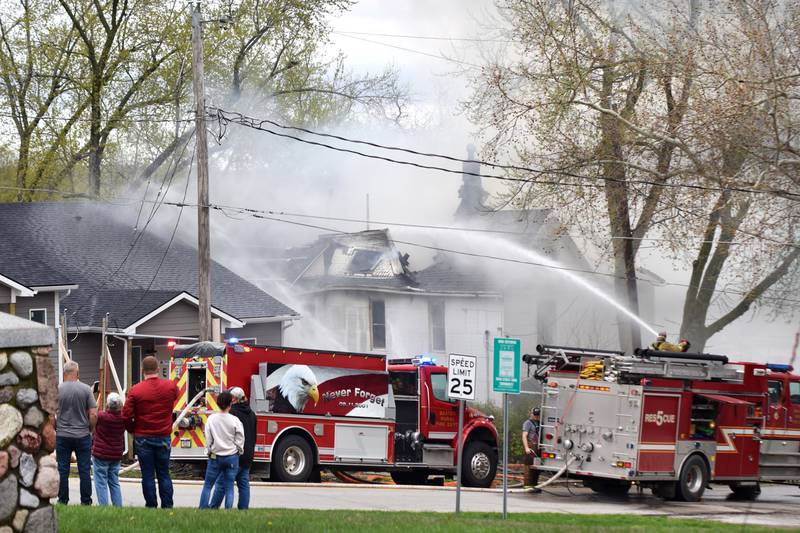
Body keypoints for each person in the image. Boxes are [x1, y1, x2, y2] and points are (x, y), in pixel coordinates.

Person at [123, 355, 179, 508]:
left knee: (147, 475)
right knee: (164, 474)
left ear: (142, 371)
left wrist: (133, 430)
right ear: (158, 369)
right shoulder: (170, 387)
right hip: (163, 436)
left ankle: (151, 506)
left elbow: (126, 415)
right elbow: (176, 396)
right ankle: (167, 506)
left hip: (143, 437)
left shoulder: (135, 390)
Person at [56, 360, 97, 505]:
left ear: (65, 373)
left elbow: (50, 414)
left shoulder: (58, 389)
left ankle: (62, 500)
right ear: (77, 372)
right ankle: (86, 502)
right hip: (82, 435)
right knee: (84, 470)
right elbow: (93, 414)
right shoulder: (86, 389)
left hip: (62, 435)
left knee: (62, 470)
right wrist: (90, 429)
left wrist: (57, 427)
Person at [212, 387, 256, 510]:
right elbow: (253, 435)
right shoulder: (252, 414)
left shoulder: (232, 414)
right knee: (244, 485)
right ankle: (243, 510)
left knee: (221, 483)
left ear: (234, 399)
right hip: (248, 456)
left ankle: (213, 508)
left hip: (234, 455)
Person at [199, 391, 244, 509]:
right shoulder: (235, 420)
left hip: (215, 456)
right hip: (231, 457)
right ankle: (228, 510)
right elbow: (240, 438)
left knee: (208, 485)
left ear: (217, 404)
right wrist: (238, 450)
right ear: (230, 404)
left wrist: (209, 450)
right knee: (229, 487)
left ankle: (202, 509)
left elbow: (208, 437)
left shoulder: (211, 419)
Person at [92, 392, 125, 506]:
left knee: (101, 482)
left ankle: (104, 507)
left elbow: (93, 414)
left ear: (108, 405)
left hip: (101, 455)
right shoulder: (123, 418)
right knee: (114, 482)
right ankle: (118, 506)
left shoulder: (102, 416)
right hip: (116, 454)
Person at [522, 407, 541, 492]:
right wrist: (526, 448)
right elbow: (524, 436)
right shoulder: (528, 423)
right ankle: (527, 486)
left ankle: (534, 485)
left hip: (538, 447)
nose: (536, 416)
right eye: (535, 415)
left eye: (538, 415)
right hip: (530, 446)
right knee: (528, 466)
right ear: (532, 414)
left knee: (537, 467)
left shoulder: (540, 423)